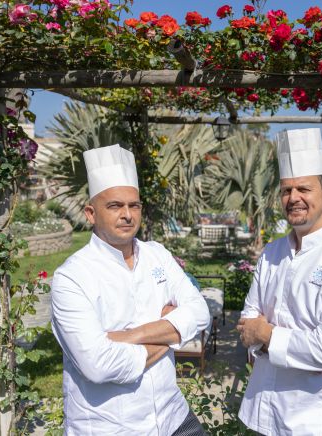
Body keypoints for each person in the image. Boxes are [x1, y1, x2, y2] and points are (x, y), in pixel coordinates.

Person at [50, 144, 211, 435]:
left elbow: (200, 313)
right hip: (111, 427)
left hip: (173, 416)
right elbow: (98, 365)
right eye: (114, 206)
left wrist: (129, 337)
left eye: (133, 205)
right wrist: (171, 331)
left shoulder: (157, 254)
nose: (127, 214)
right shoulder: (72, 277)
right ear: (91, 213)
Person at [236, 128, 322, 436]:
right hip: (263, 414)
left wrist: (265, 332)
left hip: (317, 420)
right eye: (286, 190)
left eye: (303, 189)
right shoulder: (272, 253)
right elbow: (247, 327)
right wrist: (265, 335)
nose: (293, 198)